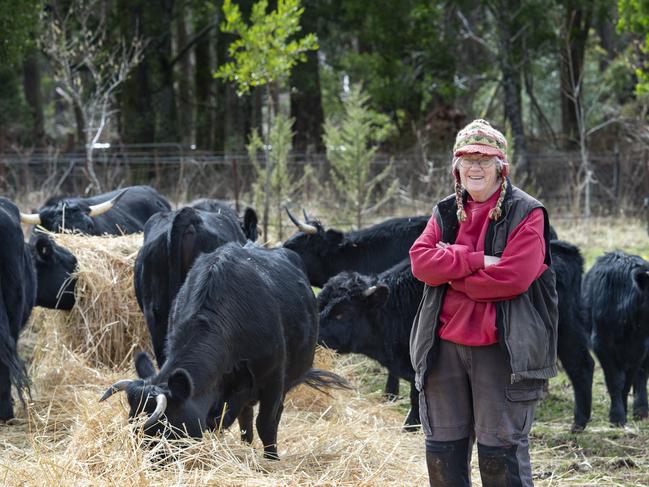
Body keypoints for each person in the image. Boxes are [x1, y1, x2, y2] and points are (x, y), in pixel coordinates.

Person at [409, 119, 558, 486]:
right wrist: (476, 261)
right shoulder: (445, 212)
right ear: (456, 166)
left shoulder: (527, 212)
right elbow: (420, 263)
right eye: (467, 158)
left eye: (485, 159)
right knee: (443, 453)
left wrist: (451, 269)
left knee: (499, 457)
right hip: (443, 348)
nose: (475, 167)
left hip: (500, 350)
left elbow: (513, 277)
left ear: (501, 167)